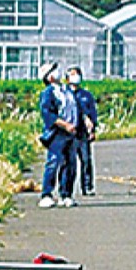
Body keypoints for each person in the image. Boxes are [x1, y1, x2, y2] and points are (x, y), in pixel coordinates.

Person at [38, 63, 78, 208]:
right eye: (54, 70)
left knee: (70, 164)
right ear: (50, 77)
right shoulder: (49, 93)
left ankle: (66, 194)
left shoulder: (66, 90)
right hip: (57, 132)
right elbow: (48, 114)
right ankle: (47, 194)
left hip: (71, 133)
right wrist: (65, 124)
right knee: (53, 162)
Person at [68, 67, 98, 197]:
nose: (76, 77)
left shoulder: (86, 95)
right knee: (68, 162)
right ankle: (66, 189)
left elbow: (92, 113)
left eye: (77, 74)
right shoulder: (65, 94)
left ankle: (87, 186)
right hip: (69, 132)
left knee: (86, 160)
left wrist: (92, 129)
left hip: (83, 133)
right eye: (73, 74)